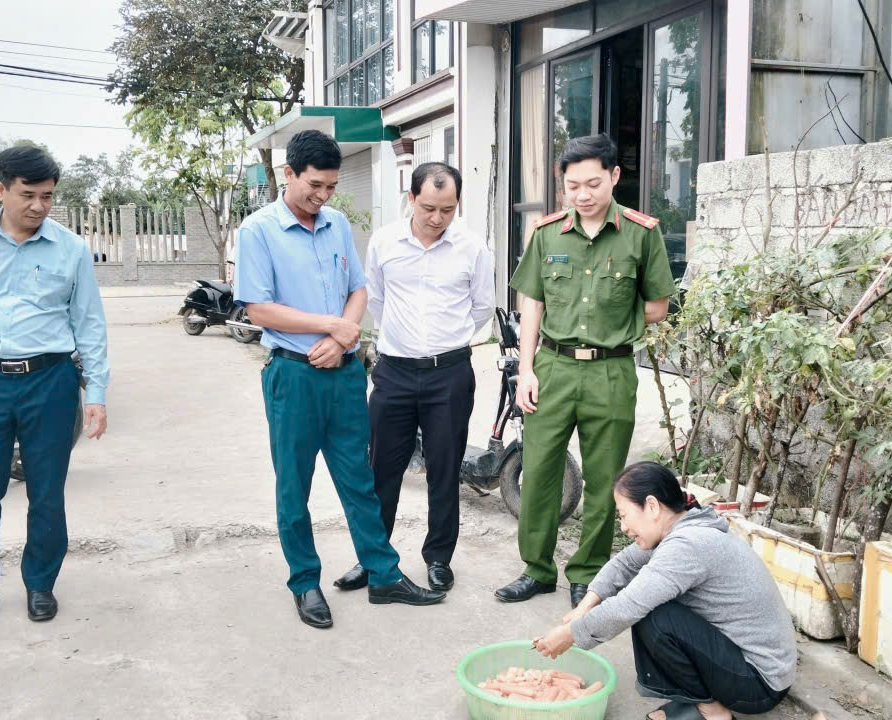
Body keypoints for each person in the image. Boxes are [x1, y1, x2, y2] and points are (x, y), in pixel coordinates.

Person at [234, 129, 446, 630]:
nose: (323, 196)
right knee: (294, 486)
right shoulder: (258, 230)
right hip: (294, 375)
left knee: (359, 479)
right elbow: (259, 308)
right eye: (315, 185)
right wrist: (331, 327)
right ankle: (304, 582)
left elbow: (357, 289)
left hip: (345, 375)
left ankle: (383, 574)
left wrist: (343, 335)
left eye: (331, 187)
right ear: (288, 174)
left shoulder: (335, 224)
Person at [0, 145, 110, 630]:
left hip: (50, 381)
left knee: (47, 492)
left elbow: (89, 323)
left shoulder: (70, 248)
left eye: (47, 196)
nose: (38, 205)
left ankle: (40, 584)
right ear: (1, 190)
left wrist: (96, 393)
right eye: (28, 195)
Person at [497, 134, 675, 608]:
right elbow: (531, 304)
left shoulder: (641, 234)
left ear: (614, 176)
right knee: (539, 472)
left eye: (593, 184)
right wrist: (526, 369)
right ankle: (536, 569)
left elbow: (658, 305)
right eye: (572, 186)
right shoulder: (547, 233)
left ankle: (588, 572)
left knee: (604, 479)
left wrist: (614, 323)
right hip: (552, 369)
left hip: (611, 372)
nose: (582, 195)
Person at [333, 162, 495, 595]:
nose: (437, 218)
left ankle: (438, 558)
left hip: (450, 375)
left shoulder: (472, 248)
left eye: (448, 209)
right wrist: (404, 339)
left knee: (444, 469)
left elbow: (482, 307)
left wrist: (445, 340)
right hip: (394, 374)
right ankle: (373, 557)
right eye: (428, 208)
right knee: (381, 470)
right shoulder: (385, 242)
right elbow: (376, 299)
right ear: (411, 199)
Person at [533, 462, 797, 720]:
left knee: (655, 616)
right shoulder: (683, 525)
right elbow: (625, 563)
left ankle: (712, 710)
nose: (623, 527)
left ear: (651, 506)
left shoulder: (688, 545)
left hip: (759, 683)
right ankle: (697, 698)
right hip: (754, 665)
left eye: (623, 515)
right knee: (653, 602)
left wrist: (570, 634)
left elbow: (627, 606)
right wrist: (583, 608)